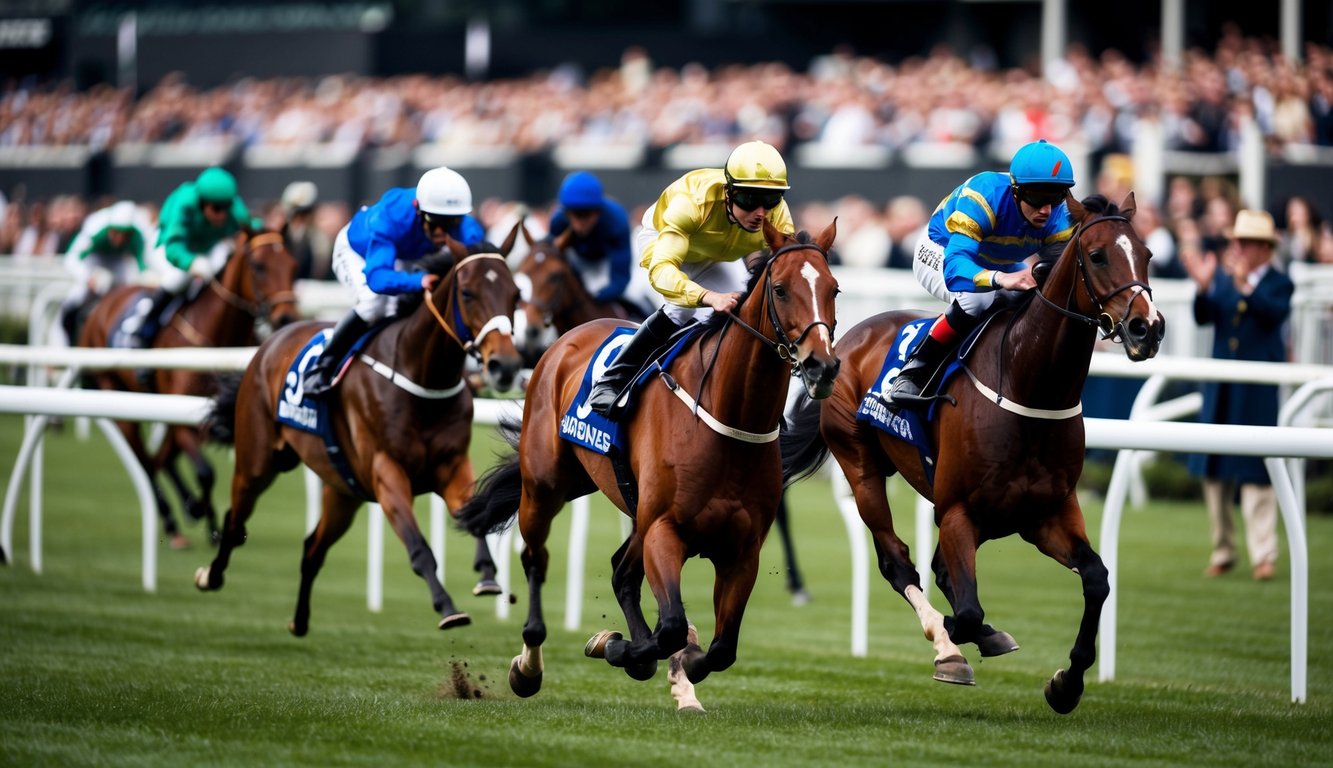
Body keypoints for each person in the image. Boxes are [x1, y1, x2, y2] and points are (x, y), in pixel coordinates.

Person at [585, 139, 795, 417]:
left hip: (716, 256)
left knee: (749, 312)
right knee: (681, 307)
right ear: (729, 192)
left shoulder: (776, 215)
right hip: (665, 245)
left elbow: (791, 265)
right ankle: (612, 380)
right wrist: (707, 296)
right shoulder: (693, 202)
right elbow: (663, 270)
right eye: (749, 198)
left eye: (770, 199)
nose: (760, 213)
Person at [889, 139, 1077, 406]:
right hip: (943, 249)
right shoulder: (984, 193)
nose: (1046, 210)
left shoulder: (1060, 214)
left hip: (995, 259)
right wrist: (1002, 279)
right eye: (1037, 198)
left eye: (1056, 197)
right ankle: (913, 371)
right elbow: (955, 270)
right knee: (977, 299)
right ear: (1016, 191)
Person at [302, 166, 485, 397]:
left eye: (450, 223)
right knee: (375, 304)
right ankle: (324, 366)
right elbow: (377, 278)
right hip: (359, 252)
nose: (442, 232)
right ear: (418, 210)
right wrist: (417, 281)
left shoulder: (467, 228)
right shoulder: (391, 217)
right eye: (435, 222)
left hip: (406, 255)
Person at [1181, 209, 1294, 581]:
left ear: (1264, 248)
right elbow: (1206, 316)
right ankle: (1223, 549)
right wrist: (1202, 286)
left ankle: (1264, 554)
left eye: (1245, 243)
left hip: (1256, 390)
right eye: (1237, 242)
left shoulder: (1279, 282)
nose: (1239, 249)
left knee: (1257, 472)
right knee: (1215, 472)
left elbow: (1272, 315)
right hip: (1222, 386)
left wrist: (1246, 286)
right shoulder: (1228, 279)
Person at [129, 166, 251, 348]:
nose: (223, 215)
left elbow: (253, 228)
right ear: (202, 203)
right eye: (217, 208)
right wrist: (192, 263)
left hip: (206, 247)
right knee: (177, 279)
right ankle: (145, 331)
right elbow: (173, 248)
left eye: (226, 207)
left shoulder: (236, 210)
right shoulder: (185, 204)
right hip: (169, 246)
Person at [58, 200, 152, 344]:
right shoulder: (96, 227)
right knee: (78, 295)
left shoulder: (139, 235)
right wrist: (88, 277)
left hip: (119, 260)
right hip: (94, 258)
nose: (119, 238)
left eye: (124, 234)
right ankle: (63, 340)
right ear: (109, 227)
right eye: (116, 232)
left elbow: (143, 268)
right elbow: (71, 258)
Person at [547, 170, 637, 309]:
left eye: (586, 213)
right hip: (578, 260)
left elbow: (620, 279)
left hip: (608, 263)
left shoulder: (616, 221)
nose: (580, 222)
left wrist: (594, 298)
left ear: (598, 211)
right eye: (575, 214)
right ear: (566, 212)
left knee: (635, 295)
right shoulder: (558, 221)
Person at [280, 180, 333, 280]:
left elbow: (321, 270)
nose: (300, 219)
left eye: (305, 214)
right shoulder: (280, 237)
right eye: (295, 215)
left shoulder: (320, 239)